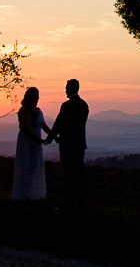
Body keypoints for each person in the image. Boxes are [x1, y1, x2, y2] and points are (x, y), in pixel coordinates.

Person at [48, 78, 90, 207]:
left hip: (67, 144)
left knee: (68, 173)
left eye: (66, 88)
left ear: (71, 88)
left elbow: (58, 124)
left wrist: (50, 138)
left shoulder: (66, 105)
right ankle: (81, 201)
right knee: (79, 173)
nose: (65, 90)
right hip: (79, 145)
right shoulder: (84, 105)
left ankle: (68, 201)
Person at [13, 86, 50, 202]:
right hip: (27, 142)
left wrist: (53, 136)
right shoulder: (23, 110)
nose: (37, 97)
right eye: (34, 95)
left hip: (36, 143)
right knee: (26, 166)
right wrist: (37, 139)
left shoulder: (38, 111)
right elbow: (24, 127)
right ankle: (23, 194)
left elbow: (43, 125)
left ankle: (33, 193)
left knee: (35, 166)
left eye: (38, 95)